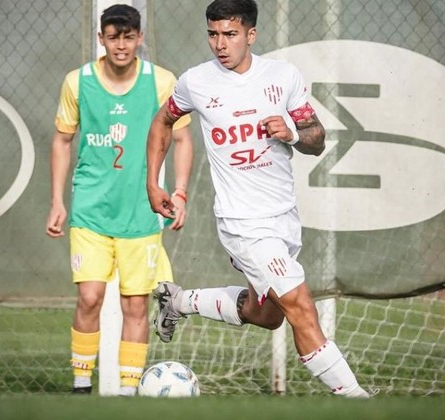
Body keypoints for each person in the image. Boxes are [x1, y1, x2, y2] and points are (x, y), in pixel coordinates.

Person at [146, 0, 369, 398]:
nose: (220, 44)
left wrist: (293, 133)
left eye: (230, 34)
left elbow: (317, 139)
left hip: (283, 218)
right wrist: (153, 182)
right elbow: (163, 120)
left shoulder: (282, 77)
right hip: (242, 223)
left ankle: (180, 301)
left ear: (251, 35)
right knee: (300, 306)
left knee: (267, 315)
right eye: (213, 34)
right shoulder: (196, 82)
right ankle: (355, 400)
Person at [45, 4, 193, 395]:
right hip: (90, 211)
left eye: (128, 37)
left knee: (136, 305)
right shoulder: (77, 82)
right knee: (89, 297)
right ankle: (81, 385)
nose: (121, 46)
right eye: (113, 38)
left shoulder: (161, 81)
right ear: (102, 39)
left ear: (139, 38)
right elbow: (62, 141)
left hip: (142, 213)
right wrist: (57, 201)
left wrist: (179, 191)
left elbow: (182, 138)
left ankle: (128, 393)